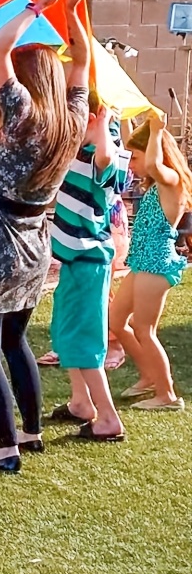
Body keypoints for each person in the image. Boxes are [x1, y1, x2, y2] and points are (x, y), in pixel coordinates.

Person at [0, 0, 90, 473]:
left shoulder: (25, 114)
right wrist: (72, 14)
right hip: (34, 243)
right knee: (15, 341)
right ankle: (30, 433)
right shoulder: (72, 119)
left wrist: (38, 7)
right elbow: (82, 62)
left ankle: (6, 446)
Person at [48, 89, 130, 441]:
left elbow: (106, 162)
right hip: (74, 260)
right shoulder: (78, 146)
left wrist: (103, 127)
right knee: (66, 333)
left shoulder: (105, 147)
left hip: (89, 261)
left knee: (84, 341)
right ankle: (82, 403)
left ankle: (109, 419)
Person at [108, 115, 192, 411]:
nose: (131, 164)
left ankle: (167, 395)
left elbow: (155, 164)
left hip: (156, 264)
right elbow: (148, 162)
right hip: (142, 263)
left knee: (144, 329)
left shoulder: (171, 179)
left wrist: (156, 131)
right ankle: (149, 376)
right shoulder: (157, 183)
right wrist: (132, 120)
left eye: (136, 157)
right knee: (116, 321)